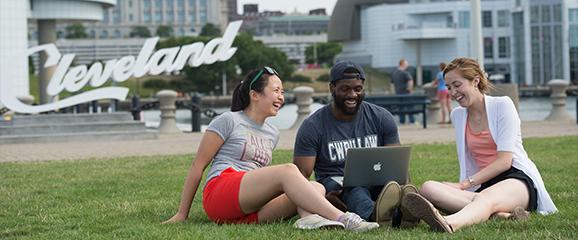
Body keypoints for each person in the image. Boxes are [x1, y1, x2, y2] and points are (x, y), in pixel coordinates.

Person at [162, 66, 379, 232]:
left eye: (282, 92)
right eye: (275, 91)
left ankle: (307, 218)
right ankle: (345, 219)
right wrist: (182, 213)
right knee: (288, 171)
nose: (281, 97)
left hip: (249, 210)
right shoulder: (228, 120)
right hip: (221, 194)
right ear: (254, 94)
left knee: (316, 187)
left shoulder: (272, 133)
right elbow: (198, 166)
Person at [402, 57, 558, 233]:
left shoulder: (503, 105)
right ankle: (501, 215)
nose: (453, 92)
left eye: (457, 85)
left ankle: (448, 222)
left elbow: (504, 161)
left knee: (484, 198)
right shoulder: (458, 115)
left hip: (515, 179)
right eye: (449, 87)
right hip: (485, 184)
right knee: (428, 188)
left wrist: (462, 185)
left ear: (475, 81)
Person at [293, 61, 420, 228]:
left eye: (357, 89)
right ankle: (379, 214)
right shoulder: (313, 125)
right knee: (355, 189)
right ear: (332, 88)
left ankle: (402, 208)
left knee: (392, 185)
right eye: (345, 89)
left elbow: (396, 165)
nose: (352, 94)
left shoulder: (381, 117)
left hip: (375, 179)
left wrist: (399, 181)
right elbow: (301, 175)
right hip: (336, 185)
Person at [391, 59, 415, 125]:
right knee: (409, 107)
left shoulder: (394, 73)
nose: (408, 65)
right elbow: (410, 81)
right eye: (407, 64)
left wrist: (394, 92)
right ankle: (411, 121)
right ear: (403, 64)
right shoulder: (405, 73)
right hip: (406, 93)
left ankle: (402, 121)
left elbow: (392, 84)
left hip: (398, 94)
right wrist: (409, 89)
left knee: (400, 107)